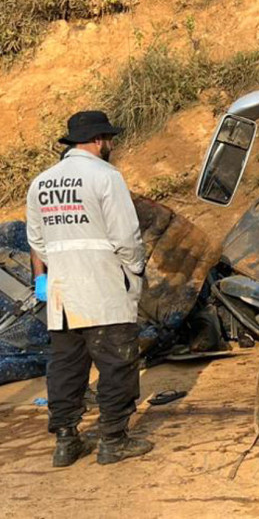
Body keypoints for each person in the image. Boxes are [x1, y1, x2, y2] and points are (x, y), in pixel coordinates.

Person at [25, 111, 152, 466]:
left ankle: (66, 442)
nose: (110, 145)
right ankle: (113, 440)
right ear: (98, 140)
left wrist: (50, 274)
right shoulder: (105, 176)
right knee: (117, 362)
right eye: (109, 140)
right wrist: (135, 269)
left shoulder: (41, 182)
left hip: (62, 293)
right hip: (103, 286)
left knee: (66, 367)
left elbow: (35, 239)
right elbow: (126, 235)